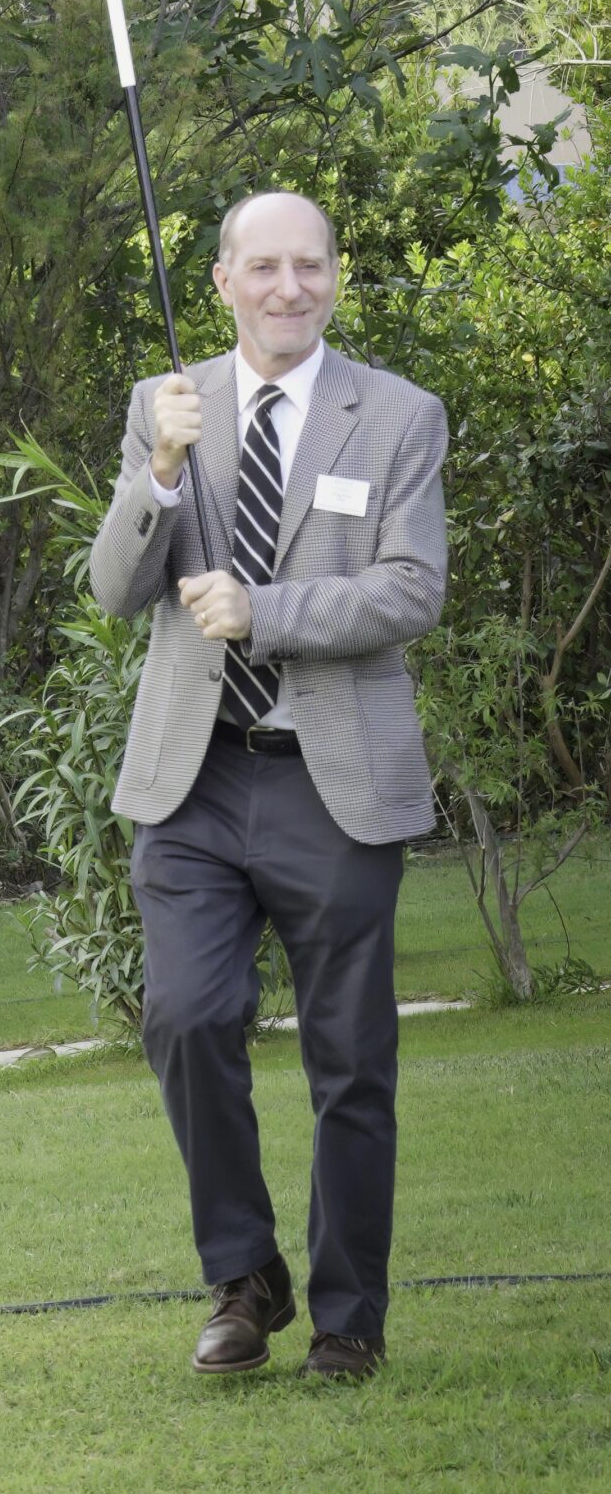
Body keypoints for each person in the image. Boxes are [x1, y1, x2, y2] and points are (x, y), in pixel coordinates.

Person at [89, 191, 447, 1382]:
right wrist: (160, 470)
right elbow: (115, 588)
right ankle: (243, 1277)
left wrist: (268, 611)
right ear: (223, 280)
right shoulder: (167, 404)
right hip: (192, 781)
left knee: (349, 1058)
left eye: (309, 265)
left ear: (335, 276)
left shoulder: (396, 414)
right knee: (186, 1019)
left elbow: (411, 587)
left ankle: (348, 1317)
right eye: (264, 267)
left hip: (331, 783)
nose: (288, 287)